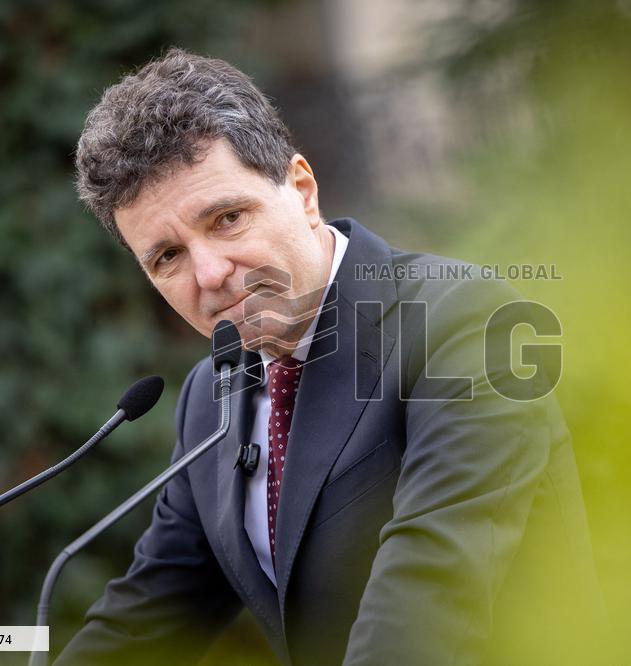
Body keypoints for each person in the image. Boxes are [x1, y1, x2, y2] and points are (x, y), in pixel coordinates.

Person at [56, 47, 596, 665]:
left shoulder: (466, 322)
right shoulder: (211, 399)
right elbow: (142, 622)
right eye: (167, 258)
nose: (209, 274)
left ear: (303, 190)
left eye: (228, 219)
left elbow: (427, 599)